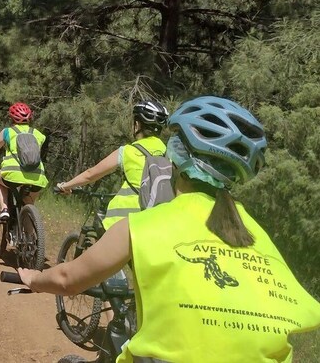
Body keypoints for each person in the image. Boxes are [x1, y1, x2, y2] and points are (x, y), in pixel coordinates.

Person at [18, 96, 320, 362]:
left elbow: (67, 279)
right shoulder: (255, 232)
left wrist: (32, 277)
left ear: (174, 157)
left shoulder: (144, 224)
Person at [57, 99, 169, 229]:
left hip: (123, 222)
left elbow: (90, 174)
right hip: (156, 222)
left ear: (137, 125)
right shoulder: (169, 153)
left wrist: (66, 186)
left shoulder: (128, 151)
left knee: (95, 250)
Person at [0, 102, 48, 223]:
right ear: (30, 118)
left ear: (11, 118)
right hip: (38, 177)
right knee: (28, 205)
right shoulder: (38, 134)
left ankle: (4, 210)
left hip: (13, 173)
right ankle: (32, 239)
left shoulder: (8, 132)